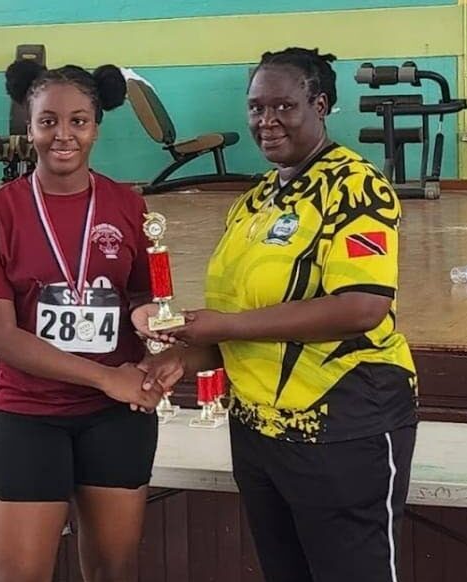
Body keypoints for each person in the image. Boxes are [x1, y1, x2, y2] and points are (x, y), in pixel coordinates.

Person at [133, 47, 418, 582]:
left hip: (340, 423)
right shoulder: (254, 200)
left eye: (283, 106)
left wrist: (219, 326)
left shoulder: (354, 186)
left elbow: (363, 307)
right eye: (256, 107)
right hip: (259, 432)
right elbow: (248, 317)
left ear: (321, 104)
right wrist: (186, 357)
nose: (266, 121)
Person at [0, 60, 163, 582]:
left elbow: (142, 292)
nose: (63, 135)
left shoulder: (128, 206)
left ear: (96, 126)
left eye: (78, 121)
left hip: (115, 418)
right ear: (27, 127)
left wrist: (145, 315)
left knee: (112, 574)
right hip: (30, 414)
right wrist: (106, 376)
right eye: (47, 121)